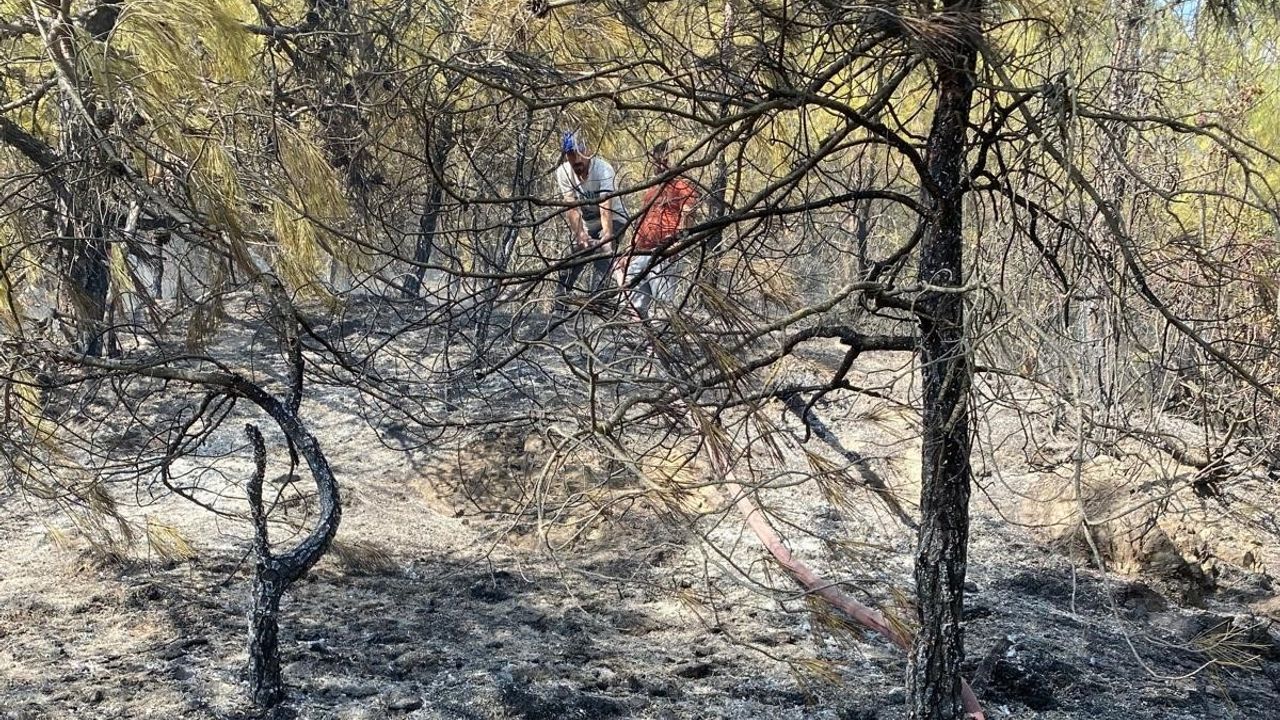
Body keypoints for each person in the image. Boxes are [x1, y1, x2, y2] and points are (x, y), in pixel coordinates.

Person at [615, 140, 697, 319]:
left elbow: (688, 216)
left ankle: (662, 344)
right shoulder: (651, 190)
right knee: (631, 305)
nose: (659, 164)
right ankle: (646, 345)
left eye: (663, 159)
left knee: (662, 308)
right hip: (642, 252)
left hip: (664, 253)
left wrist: (678, 244)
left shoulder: (682, 186)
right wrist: (631, 250)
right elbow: (643, 222)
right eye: (656, 159)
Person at [555, 131, 628, 296]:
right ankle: (560, 304)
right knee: (573, 259)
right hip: (589, 224)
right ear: (567, 156)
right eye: (572, 154)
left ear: (589, 151)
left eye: (581, 153)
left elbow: (605, 205)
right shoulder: (563, 172)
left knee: (602, 256)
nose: (578, 159)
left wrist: (608, 237)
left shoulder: (603, 169)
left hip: (614, 218)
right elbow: (571, 206)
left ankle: (598, 300)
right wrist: (580, 234)